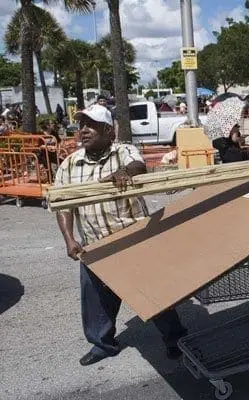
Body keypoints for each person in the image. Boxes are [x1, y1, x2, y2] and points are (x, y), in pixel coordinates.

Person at [54, 104, 187, 366]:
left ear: (108, 131)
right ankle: (103, 344)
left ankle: (175, 340)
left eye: (90, 125)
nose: (83, 131)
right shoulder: (70, 164)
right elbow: (62, 203)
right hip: (95, 245)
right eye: (81, 125)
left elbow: (138, 165)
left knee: (153, 294)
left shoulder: (122, 151)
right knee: (96, 299)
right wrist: (69, 239)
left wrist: (125, 173)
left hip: (133, 241)